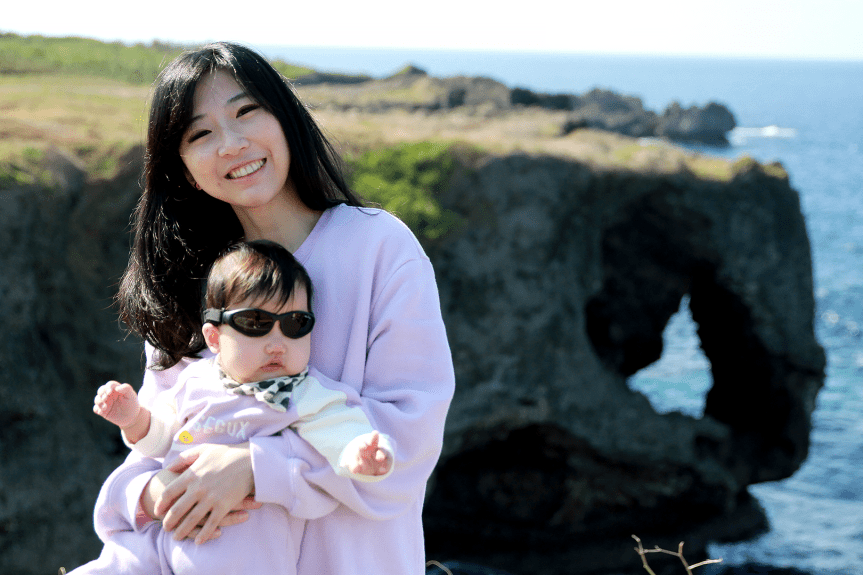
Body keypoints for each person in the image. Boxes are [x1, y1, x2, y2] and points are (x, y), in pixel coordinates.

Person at [72, 41, 455, 575]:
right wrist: (153, 490)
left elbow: (407, 440)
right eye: (200, 134)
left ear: (285, 115)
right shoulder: (185, 282)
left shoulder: (379, 248)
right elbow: (165, 445)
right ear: (180, 167)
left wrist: (256, 469)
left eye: (247, 111)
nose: (231, 143)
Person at [85, 240, 393, 575]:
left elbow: (338, 430)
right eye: (255, 323)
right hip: (165, 547)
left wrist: (357, 453)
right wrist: (133, 419)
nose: (277, 343)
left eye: (295, 324)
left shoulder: (301, 392)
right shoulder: (195, 380)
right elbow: (161, 440)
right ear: (214, 338)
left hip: (249, 558)